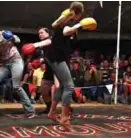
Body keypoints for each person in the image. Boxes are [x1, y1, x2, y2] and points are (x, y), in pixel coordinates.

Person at [22, 2, 96, 131]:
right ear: (79, 14)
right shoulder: (68, 21)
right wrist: (80, 25)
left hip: (55, 57)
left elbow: (54, 26)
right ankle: (65, 118)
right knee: (69, 86)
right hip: (58, 58)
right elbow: (65, 31)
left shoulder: (63, 17)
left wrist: (36, 45)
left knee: (62, 86)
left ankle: (51, 112)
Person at [0, 19, 35, 118]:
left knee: (16, 86)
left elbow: (18, 40)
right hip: (4, 64)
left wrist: (12, 37)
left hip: (16, 60)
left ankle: (30, 110)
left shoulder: (4, 34)